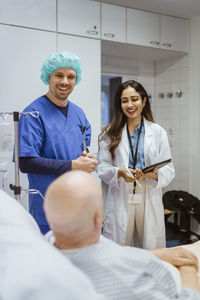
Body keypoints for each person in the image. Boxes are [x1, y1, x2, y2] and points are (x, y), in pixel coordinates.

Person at [44, 170, 200, 300]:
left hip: (158, 260)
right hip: (181, 279)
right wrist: (188, 268)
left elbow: (110, 252)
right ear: (99, 218)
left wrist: (157, 254)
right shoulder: (125, 283)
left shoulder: (45, 246)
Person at [18, 51, 98, 234]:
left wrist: (87, 160)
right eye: (59, 75)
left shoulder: (79, 113)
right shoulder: (33, 114)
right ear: (49, 77)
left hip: (77, 200)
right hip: (48, 203)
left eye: (71, 76)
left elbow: (83, 148)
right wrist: (72, 165)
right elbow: (26, 162)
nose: (65, 81)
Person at [97, 80, 175, 249]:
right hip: (121, 193)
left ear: (144, 101)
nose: (130, 105)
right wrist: (119, 172)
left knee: (149, 248)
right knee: (119, 249)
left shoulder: (157, 132)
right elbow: (101, 167)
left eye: (134, 99)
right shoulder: (109, 132)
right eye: (125, 101)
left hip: (147, 191)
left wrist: (152, 174)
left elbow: (169, 169)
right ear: (120, 104)